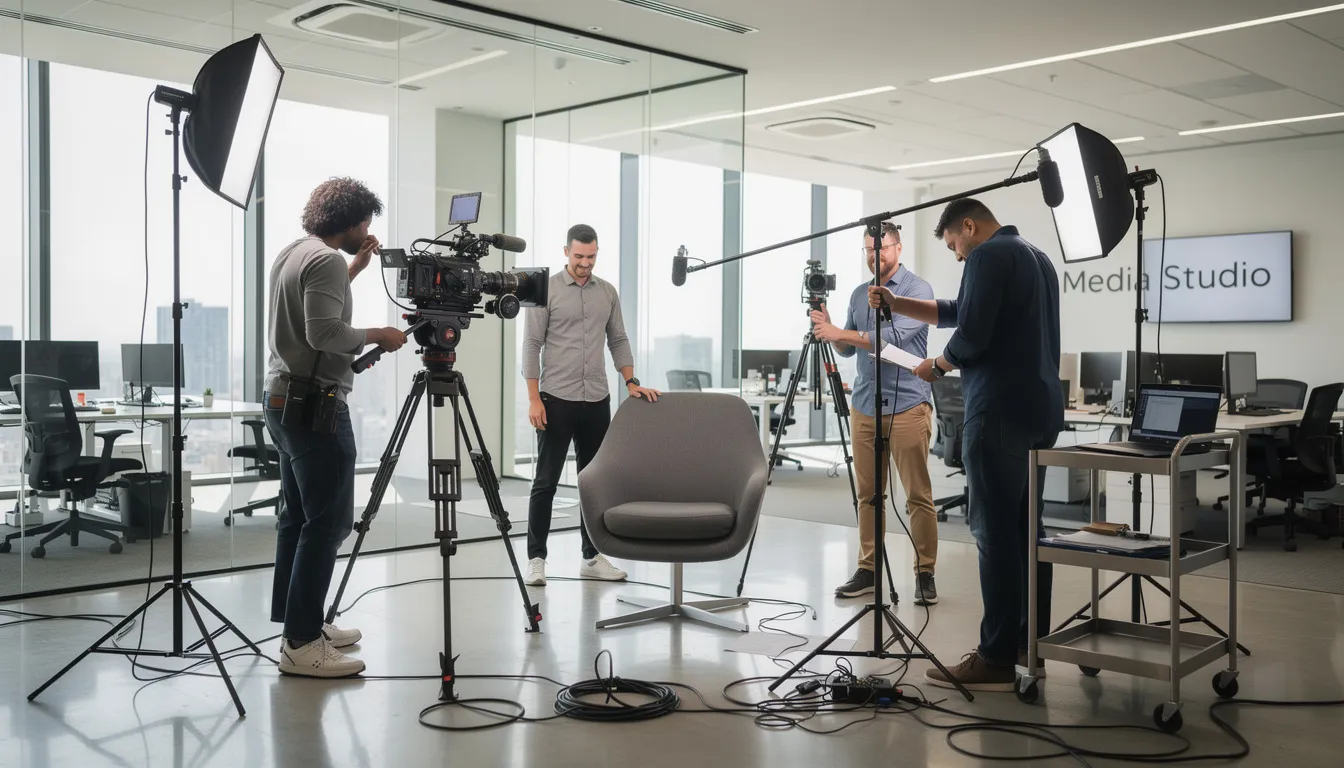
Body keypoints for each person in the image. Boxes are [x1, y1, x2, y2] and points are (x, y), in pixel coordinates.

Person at [868, 198, 1062, 692]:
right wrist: (896, 302)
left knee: (994, 534)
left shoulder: (987, 256)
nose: (957, 256)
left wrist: (938, 365)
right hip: (1038, 412)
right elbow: (963, 312)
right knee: (1026, 532)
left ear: (968, 226)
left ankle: (995, 656)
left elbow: (972, 334)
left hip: (996, 412)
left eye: (954, 244)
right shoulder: (1035, 257)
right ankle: (1025, 642)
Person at [265, 177, 409, 678]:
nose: (368, 229)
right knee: (327, 523)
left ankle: (298, 624)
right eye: (366, 221)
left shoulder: (296, 252)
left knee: (298, 518)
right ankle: (302, 644)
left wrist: (357, 269)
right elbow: (323, 331)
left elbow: (313, 308)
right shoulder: (324, 259)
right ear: (348, 221)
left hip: (283, 398)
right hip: (315, 405)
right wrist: (380, 334)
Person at [521, 224, 660, 586]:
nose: (585, 263)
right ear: (565, 251)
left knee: (592, 481)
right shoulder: (545, 290)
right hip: (556, 398)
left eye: (592, 256)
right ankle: (536, 558)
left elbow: (618, 338)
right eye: (579, 256)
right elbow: (532, 344)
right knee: (546, 481)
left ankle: (591, 556)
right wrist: (533, 398)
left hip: (596, 398)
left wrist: (630, 381)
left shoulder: (607, 292)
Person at [809, 222, 940, 605]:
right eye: (868, 250)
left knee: (917, 495)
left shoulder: (918, 291)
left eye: (881, 249)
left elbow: (893, 339)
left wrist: (840, 334)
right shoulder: (856, 294)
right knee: (867, 496)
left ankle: (925, 573)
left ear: (898, 248)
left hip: (907, 404)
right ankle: (868, 570)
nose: (875, 256)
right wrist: (827, 327)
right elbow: (849, 349)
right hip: (865, 405)